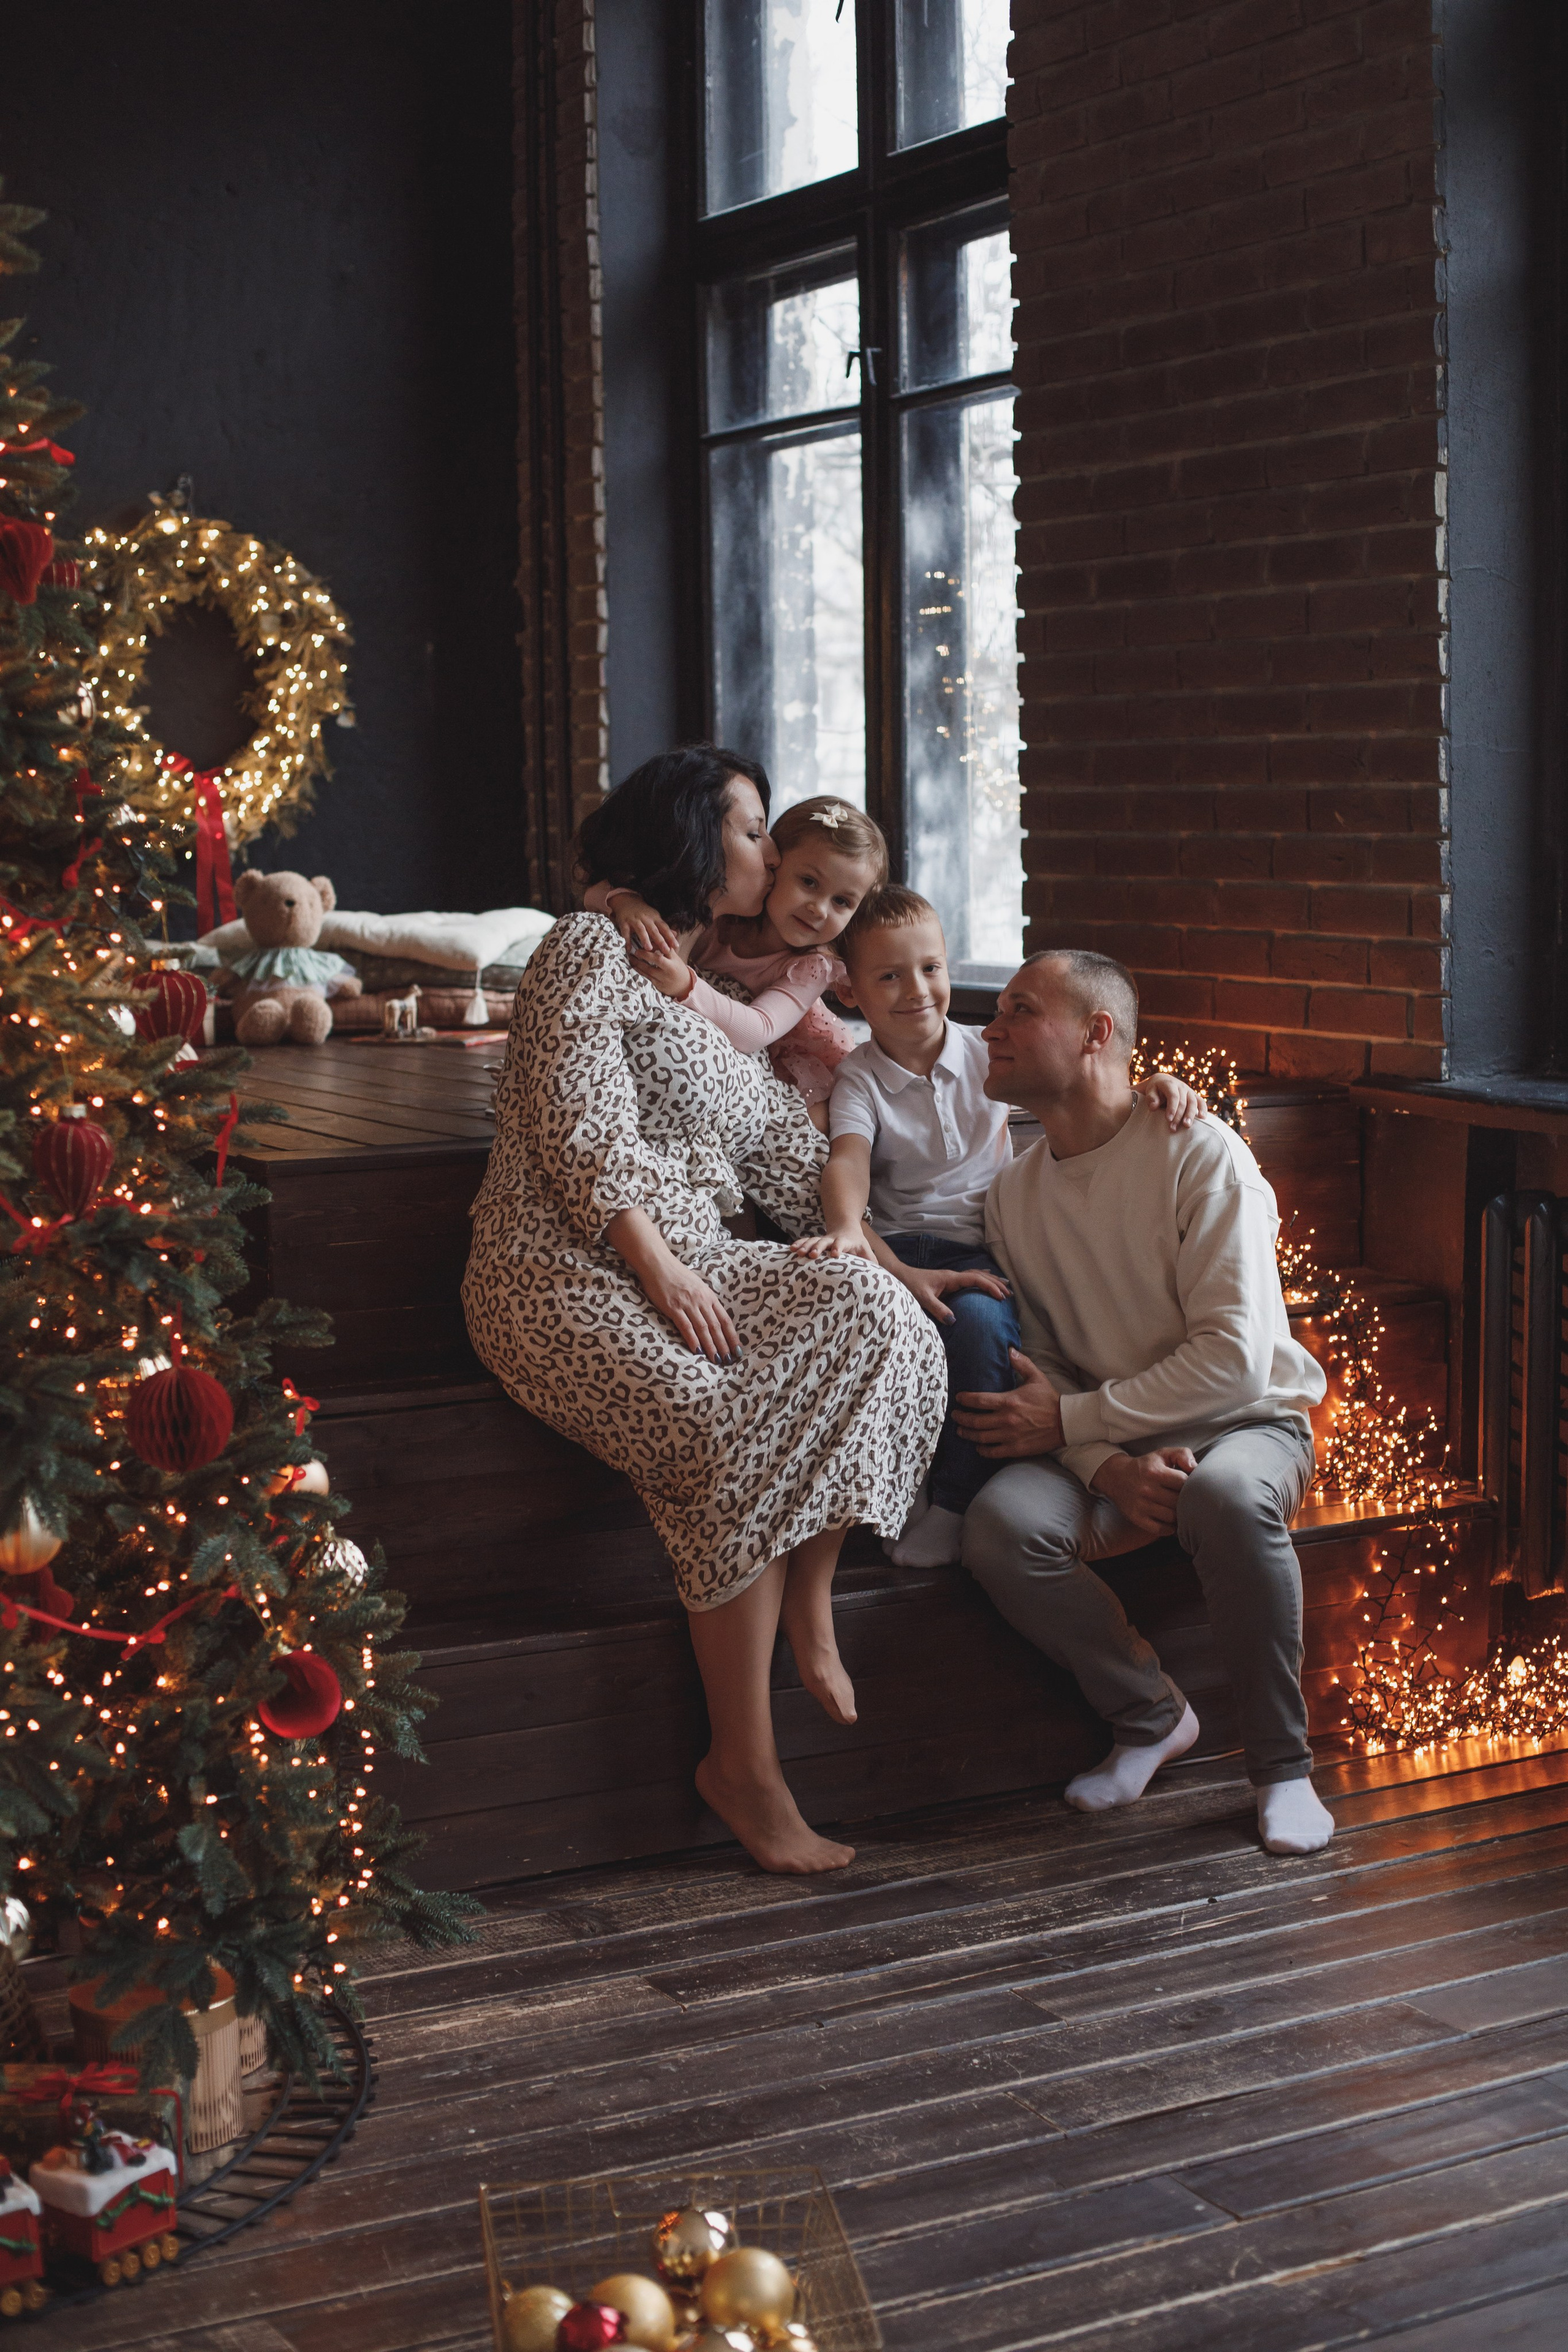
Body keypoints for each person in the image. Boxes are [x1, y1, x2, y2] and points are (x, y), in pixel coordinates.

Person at [462, 746, 946, 1876]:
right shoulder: (586, 948)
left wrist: (891, 1262)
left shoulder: (730, 1004)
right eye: (751, 829)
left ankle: (809, 1607)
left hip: (701, 1264)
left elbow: (795, 1161)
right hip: (563, 1272)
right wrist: (657, 1266)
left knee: (879, 1319)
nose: (773, 854)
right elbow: (573, 1120)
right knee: (720, 1425)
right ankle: (745, 1766)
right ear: (688, 837)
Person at [956, 948, 1334, 1856]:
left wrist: (1078, 1426)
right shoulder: (1013, 1192)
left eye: (1020, 1009)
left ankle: (1284, 1770)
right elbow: (1043, 1365)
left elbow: (1236, 1364)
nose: (990, 1029)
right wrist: (1107, 1465)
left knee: (1226, 1494)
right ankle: (1151, 1716)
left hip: (1247, 1425)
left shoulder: (1199, 1153)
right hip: (1114, 1447)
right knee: (999, 1527)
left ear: (1097, 1035)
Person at [792, 888, 1207, 1570]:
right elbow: (847, 1160)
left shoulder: (986, 1052)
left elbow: (1083, 1070)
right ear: (851, 995)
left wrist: (1155, 1078)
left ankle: (957, 1500)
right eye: (888, 976)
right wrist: (845, 1229)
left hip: (986, 1243)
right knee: (877, 1331)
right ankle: (901, 1485)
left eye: (930, 968)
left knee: (983, 1331)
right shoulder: (859, 1077)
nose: (916, 990)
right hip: (898, 1249)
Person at [584, 796, 888, 1120]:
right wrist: (625, 903)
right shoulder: (726, 908)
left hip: (779, 1059)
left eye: (842, 901)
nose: (819, 908)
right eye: (809, 882)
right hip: (700, 1050)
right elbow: (592, 894)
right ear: (774, 864)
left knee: (817, 1131)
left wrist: (687, 985)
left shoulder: (812, 966)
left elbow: (758, 1029)